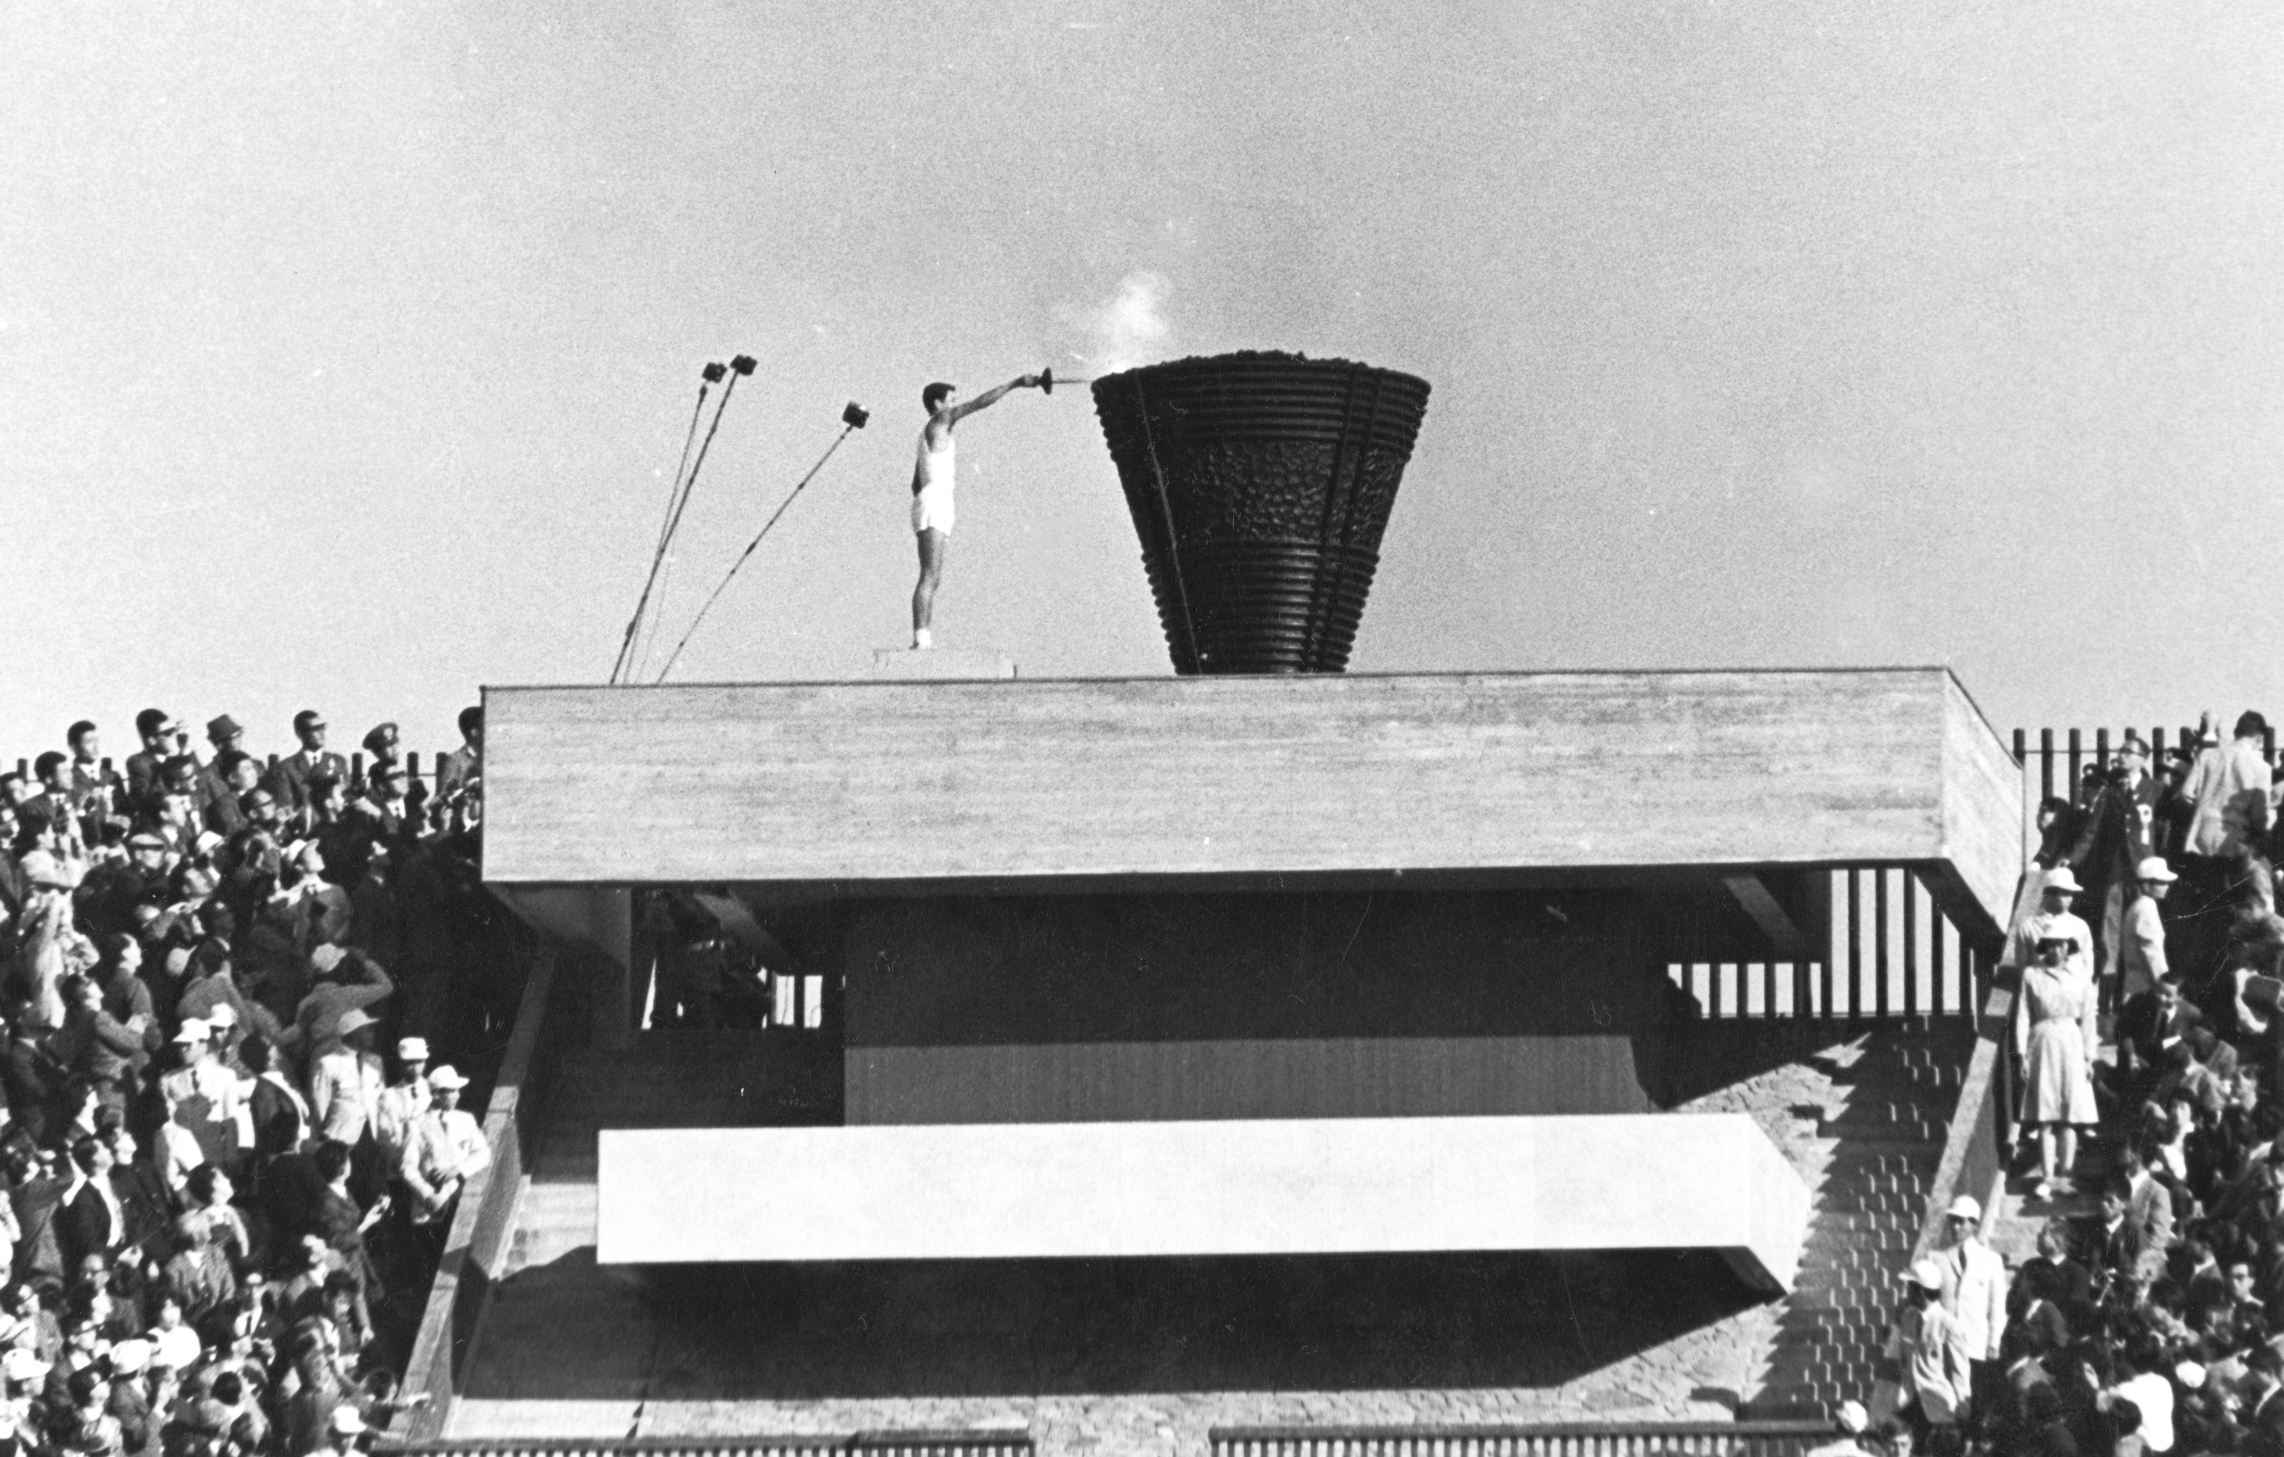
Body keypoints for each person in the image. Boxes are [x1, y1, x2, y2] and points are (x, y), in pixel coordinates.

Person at [906, 373, 1043, 650]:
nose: (955, 405)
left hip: (931, 498)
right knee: (930, 575)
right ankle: (922, 639)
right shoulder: (940, 421)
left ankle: (923, 637)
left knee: (933, 576)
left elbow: (915, 482)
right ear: (937, 403)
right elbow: (980, 403)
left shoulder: (928, 434)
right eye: (951, 400)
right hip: (936, 499)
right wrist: (1015, 384)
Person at [2020, 928, 2100, 1202]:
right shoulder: (2032, 976)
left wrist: (2089, 1057)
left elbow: (2089, 1019)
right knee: (2045, 1117)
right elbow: (2022, 1015)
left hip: (2072, 1043)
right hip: (2041, 1042)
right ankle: (2046, 1178)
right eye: (2051, 945)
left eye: (2062, 944)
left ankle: (2065, 1178)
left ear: (2069, 946)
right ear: (2044, 947)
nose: (2056, 950)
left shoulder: (2081, 978)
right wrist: (2022, 1054)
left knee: (2069, 1117)